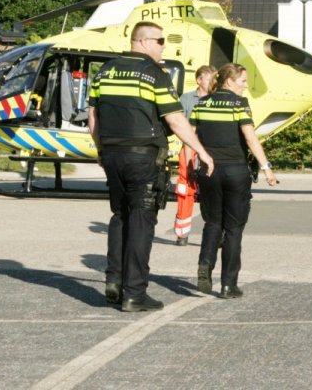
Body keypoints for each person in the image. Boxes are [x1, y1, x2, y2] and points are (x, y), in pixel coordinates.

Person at [88, 22, 214, 313]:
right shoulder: (154, 74)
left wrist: (101, 149)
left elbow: (93, 117)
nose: (163, 47)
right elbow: (175, 120)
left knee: (120, 215)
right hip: (143, 157)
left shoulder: (105, 71)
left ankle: (114, 281)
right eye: (160, 41)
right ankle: (135, 293)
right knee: (141, 221)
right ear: (143, 41)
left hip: (112, 155)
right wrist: (201, 151)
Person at [188, 63, 278, 299]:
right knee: (234, 229)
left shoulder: (201, 104)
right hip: (235, 171)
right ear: (229, 81)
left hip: (208, 171)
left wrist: (189, 166)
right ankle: (228, 285)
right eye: (243, 81)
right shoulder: (239, 104)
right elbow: (250, 138)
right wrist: (266, 168)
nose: (246, 86)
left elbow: (191, 137)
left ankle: (205, 263)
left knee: (212, 223)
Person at [173, 65, 216, 246]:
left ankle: (216, 233)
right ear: (199, 80)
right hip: (189, 149)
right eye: (210, 79)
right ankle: (182, 233)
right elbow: (178, 124)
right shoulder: (186, 99)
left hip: (211, 149)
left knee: (213, 191)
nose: (214, 83)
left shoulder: (217, 99)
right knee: (185, 189)